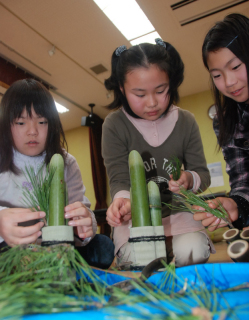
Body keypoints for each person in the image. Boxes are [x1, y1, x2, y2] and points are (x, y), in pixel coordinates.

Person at [102, 39, 214, 268]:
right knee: (139, 263)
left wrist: (189, 179)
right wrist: (122, 202)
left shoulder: (186, 121)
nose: (152, 103)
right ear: (122, 88)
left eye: (161, 91)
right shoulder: (114, 124)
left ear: (171, 83)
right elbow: (119, 178)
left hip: (179, 214)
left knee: (193, 253)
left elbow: (202, 173)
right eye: (140, 94)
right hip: (137, 218)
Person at [0, 79, 114, 269]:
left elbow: (82, 212)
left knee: (103, 246)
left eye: (42, 121)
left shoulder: (66, 162)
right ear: (6, 125)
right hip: (12, 249)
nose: (33, 131)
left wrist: (85, 225)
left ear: (52, 124)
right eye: (21, 122)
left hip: (59, 249)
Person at [194, 13, 249, 232]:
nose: (229, 82)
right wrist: (236, 203)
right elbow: (243, 178)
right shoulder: (226, 121)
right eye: (217, 75)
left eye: (235, 67)